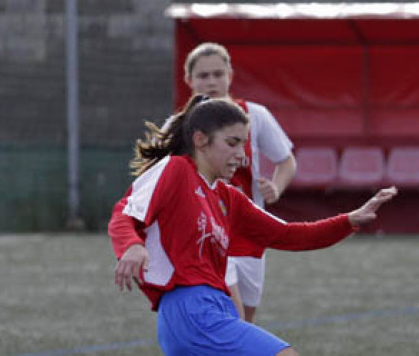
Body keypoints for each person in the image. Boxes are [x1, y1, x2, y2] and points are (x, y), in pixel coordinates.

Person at [109, 96, 397, 356]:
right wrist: (131, 246)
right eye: (231, 143)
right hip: (191, 311)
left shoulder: (228, 197)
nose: (241, 154)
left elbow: (288, 234)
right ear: (200, 139)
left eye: (243, 144)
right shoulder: (177, 169)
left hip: (216, 308)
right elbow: (125, 212)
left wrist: (349, 220)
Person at [125, 42, 298, 322]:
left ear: (230, 75)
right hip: (205, 233)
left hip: (249, 235)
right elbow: (154, 180)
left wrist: (276, 187)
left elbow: (286, 161)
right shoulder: (180, 125)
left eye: (218, 74)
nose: (211, 82)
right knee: (231, 321)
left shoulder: (255, 116)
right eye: (203, 76)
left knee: (243, 324)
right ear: (189, 80)